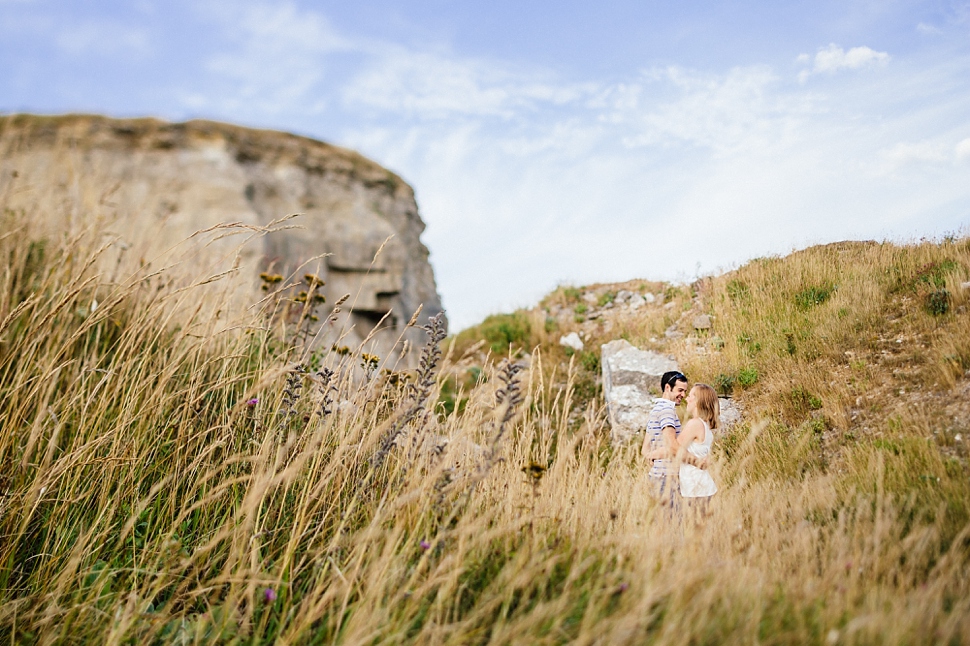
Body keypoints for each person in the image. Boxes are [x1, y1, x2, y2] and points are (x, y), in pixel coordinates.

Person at [641, 371, 690, 510]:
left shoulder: (656, 409)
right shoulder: (667, 411)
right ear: (668, 388)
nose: (683, 395)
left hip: (656, 477)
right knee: (673, 526)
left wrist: (653, 457)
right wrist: (695, 461)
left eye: (685, 391)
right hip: (668, 478)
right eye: (680, 390)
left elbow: (645, 449)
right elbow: (672, 446)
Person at [676, 383, 719, 514]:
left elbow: (674, 448)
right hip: (700, 488)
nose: (686, 399)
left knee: (693, 532)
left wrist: (652, 454)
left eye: (690, 396)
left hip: (695, 489)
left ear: (698, 401)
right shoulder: (703, 424)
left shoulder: (695, 423)